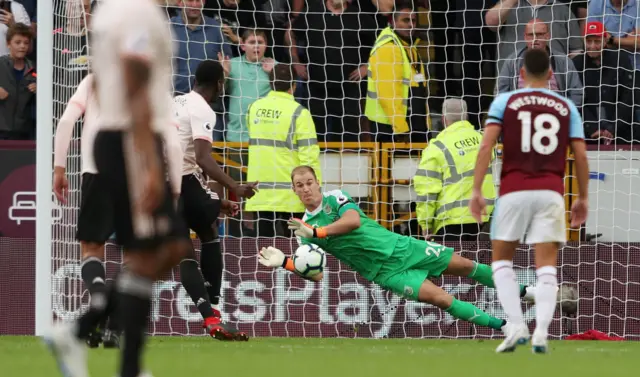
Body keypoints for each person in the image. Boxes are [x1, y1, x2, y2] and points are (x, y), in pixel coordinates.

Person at [45, 1, 190, 377]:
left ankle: (79, 330)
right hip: (131, 140)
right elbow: (134, 75)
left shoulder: (113, 11)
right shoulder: (137, 13)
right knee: (162, 247)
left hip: (121, 140)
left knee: (163, 249)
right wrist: (147, 159)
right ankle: (126, 365)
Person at [258, 165, 541, 334]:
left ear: (317, 182)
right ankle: (506, 327)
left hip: (403, 247)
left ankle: (526, 293)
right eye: (299, 186)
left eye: (309, 183)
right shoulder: (303, 229)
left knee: (466, 267)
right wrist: (286, 262)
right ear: (294, 191)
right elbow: (317, 275)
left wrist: (317, 232)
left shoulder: (334, 198)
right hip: (386, 272)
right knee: (442, 300)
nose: (306, 189)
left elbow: (353, 221)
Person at [469, 48, 589, 354]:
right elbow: (581, 153)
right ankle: (542, 334)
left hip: (513, 190)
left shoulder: (505, 102)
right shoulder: (565, 106)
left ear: (520, 74)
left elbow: (486, 147)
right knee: (546, 267)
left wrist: (476, 190)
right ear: (552, 75)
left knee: (501, 262)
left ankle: (517, 325)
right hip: (551, 191)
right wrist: (583, 197)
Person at [173, 59, 258, 340]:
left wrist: (217, 201)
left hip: (159, 185)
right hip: (183, 181)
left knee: (185, 249)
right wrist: (236, 187)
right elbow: (202, 157)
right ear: (219, 84)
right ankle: (215, 311)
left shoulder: (176, 102)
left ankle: (211, 318)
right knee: (208, 232)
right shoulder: (203, 110)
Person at [53, 73, 125, 349]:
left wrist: (59, 167)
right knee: (133, 253)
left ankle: (98, 298)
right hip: (134, 174)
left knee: (92, 248)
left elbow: (67, 120)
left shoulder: (94, 80)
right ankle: (115, 327)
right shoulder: (143, 79)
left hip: (96, 171)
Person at [244, 64, 321, 237]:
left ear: (270, 83)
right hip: (292, 194)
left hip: (260, 191)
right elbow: (309, 157)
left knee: (264, 249)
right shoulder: (300, 113)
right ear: (293, 85)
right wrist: (315, 189)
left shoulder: (254, 108)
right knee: (295, 250)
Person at [414, 98, 496, 242]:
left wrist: (425, 224)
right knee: (480, 263)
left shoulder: (436, 148)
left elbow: (426, 191)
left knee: (454, 264)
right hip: (485, 219)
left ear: (444, 119)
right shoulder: (484, 140)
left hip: (451, 222)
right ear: (466, 116)